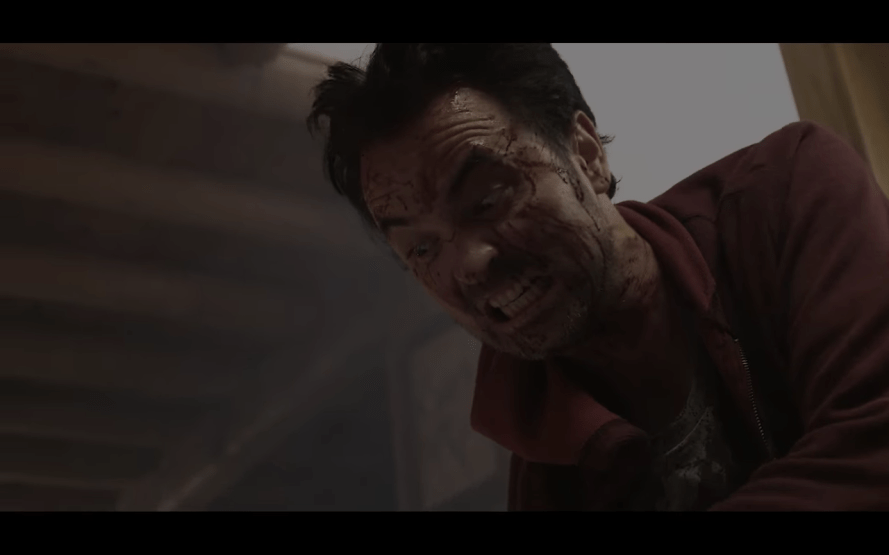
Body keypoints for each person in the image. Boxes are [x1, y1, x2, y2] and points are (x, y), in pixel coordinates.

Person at [307, 43, 889, 510]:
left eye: (486, 199)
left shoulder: (782, 196)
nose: (469, 263)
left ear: (585, 153)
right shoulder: (546, 467)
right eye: (422, 247)